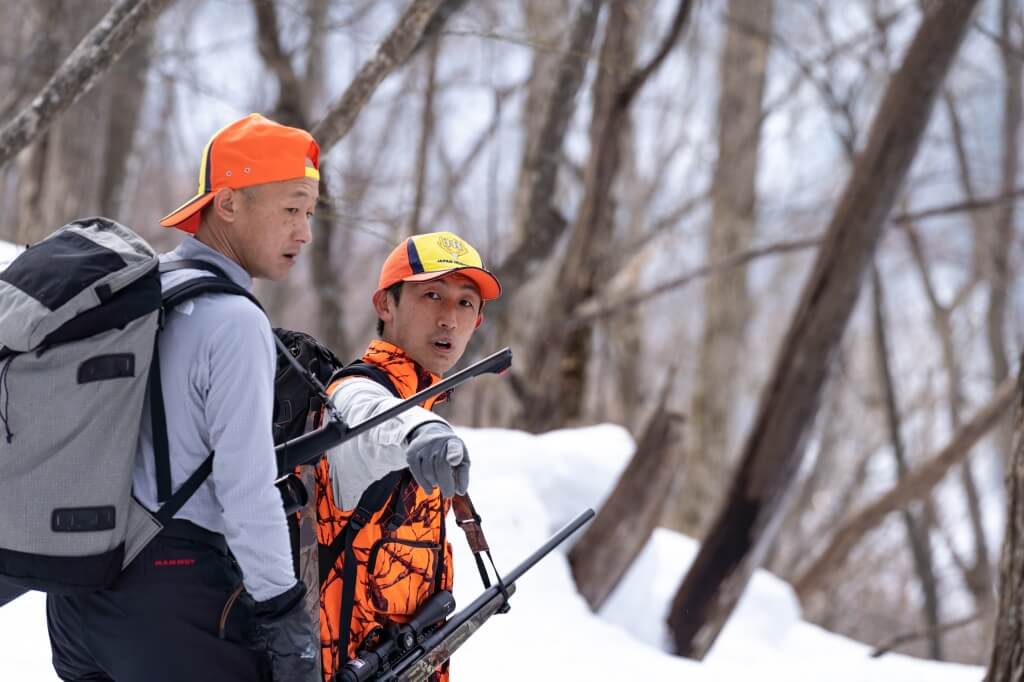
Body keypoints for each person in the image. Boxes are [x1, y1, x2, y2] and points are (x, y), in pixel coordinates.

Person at [46, 113, 321, 682]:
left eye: (310, 213)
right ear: (227, 204)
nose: (305, 233)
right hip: (171, 595)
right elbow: (245, 490)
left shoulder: (144, 289)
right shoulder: (235, 321)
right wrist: (287, 616)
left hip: (76, 598)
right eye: (291, 209)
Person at [315, 231, 501, 682]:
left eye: (465, 303)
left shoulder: (423, 401)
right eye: (431, 295)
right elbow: (372, 418)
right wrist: (423, 431)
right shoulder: (356, 393)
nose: (449, 319)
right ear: (386, 305)